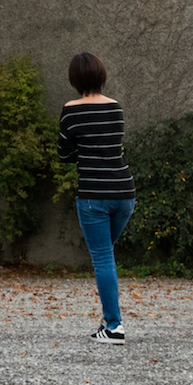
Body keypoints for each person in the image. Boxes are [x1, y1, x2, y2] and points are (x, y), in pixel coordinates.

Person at [57, 51, 135, 344]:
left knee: (102, 258)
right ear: (101, 75)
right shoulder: (116, 108)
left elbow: (64, 154)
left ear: (74, 79)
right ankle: (108, 319)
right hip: (125, 193)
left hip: (93, 194)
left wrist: (84, 153)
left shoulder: (70, 111)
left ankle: (114, 326)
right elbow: (114, 146)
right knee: (106, 256)